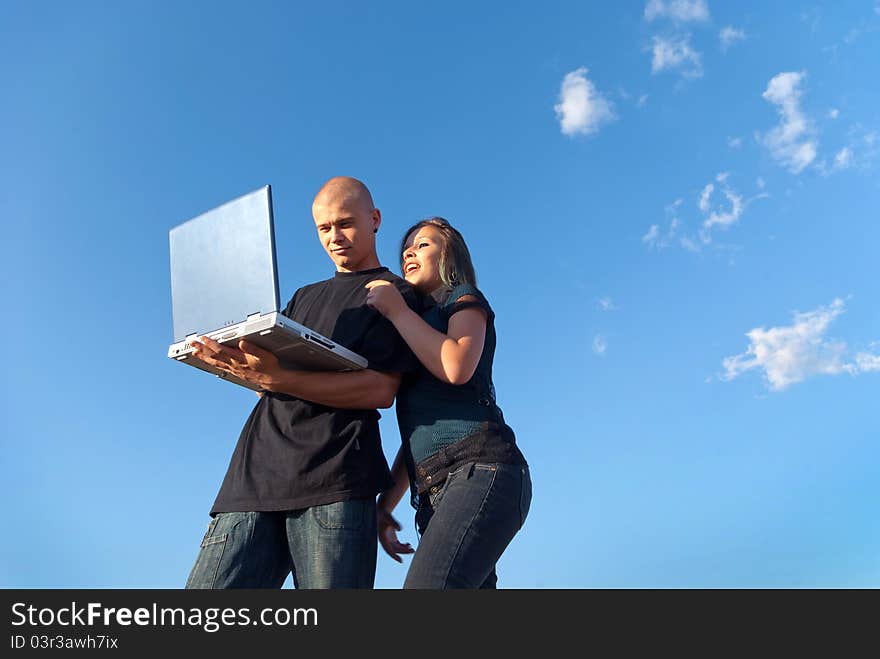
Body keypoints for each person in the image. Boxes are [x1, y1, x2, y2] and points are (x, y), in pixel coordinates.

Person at [184, 176, 418, 589]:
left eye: (345, 223)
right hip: (253, 479)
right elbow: (271, 383)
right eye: (324, 228)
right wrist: (231, 363)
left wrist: (277, 376)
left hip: (335, 482)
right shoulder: (300, 298)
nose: (335, 237)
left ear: (375, 219)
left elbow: (381, 390)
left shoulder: (395, 294)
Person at [364, 217, 531, 589]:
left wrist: (397, 311)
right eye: (406, 247)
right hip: (434, 495)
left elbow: (456, 366)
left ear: (450, 256)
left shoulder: (463, 298)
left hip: (482, 470)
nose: (409, 250)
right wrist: (385, 505)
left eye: (423, 244)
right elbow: (420, 433)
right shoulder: (414, 330)